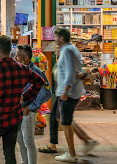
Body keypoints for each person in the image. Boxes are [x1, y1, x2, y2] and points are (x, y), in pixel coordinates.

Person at [0, 35, 45, 164]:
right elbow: (40, 81)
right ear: (11, 50)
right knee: (9, 152)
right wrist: (26, 96)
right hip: (14, 119)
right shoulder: (22, 69)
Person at [50, 28, 94, 163]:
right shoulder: (69, 49)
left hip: (67, 92)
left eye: (56, 37)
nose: (55, 39)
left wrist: (66, 91)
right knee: (59, 118)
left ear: (61, 38)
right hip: (65, 91)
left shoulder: (68, 51)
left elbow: (70, 72)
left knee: (66, 122)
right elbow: (77, 69)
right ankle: (86, 140)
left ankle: (72, 154)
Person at [15, 45, 52, 164]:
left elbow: (47, 93)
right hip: (16, 112)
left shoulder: (37, 72)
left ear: (26, 57)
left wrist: (31, 107)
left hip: (28, 112)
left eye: (18, 55)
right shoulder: (17, 71)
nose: (15, 57)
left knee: (28, 142)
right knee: (20, 141)